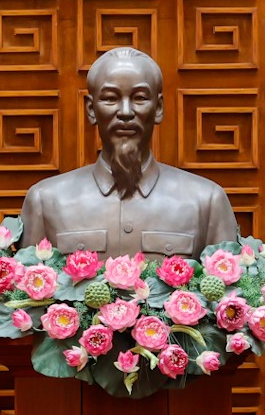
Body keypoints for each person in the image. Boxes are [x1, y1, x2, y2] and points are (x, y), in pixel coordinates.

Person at [16, 47, 240, 258]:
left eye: (139, 98)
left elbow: (228, 285)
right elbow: (26, 284)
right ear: (91, 110)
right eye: (111, 98)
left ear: (158, 108)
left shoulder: (206, 201)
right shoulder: (46, 201)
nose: (125, 112)